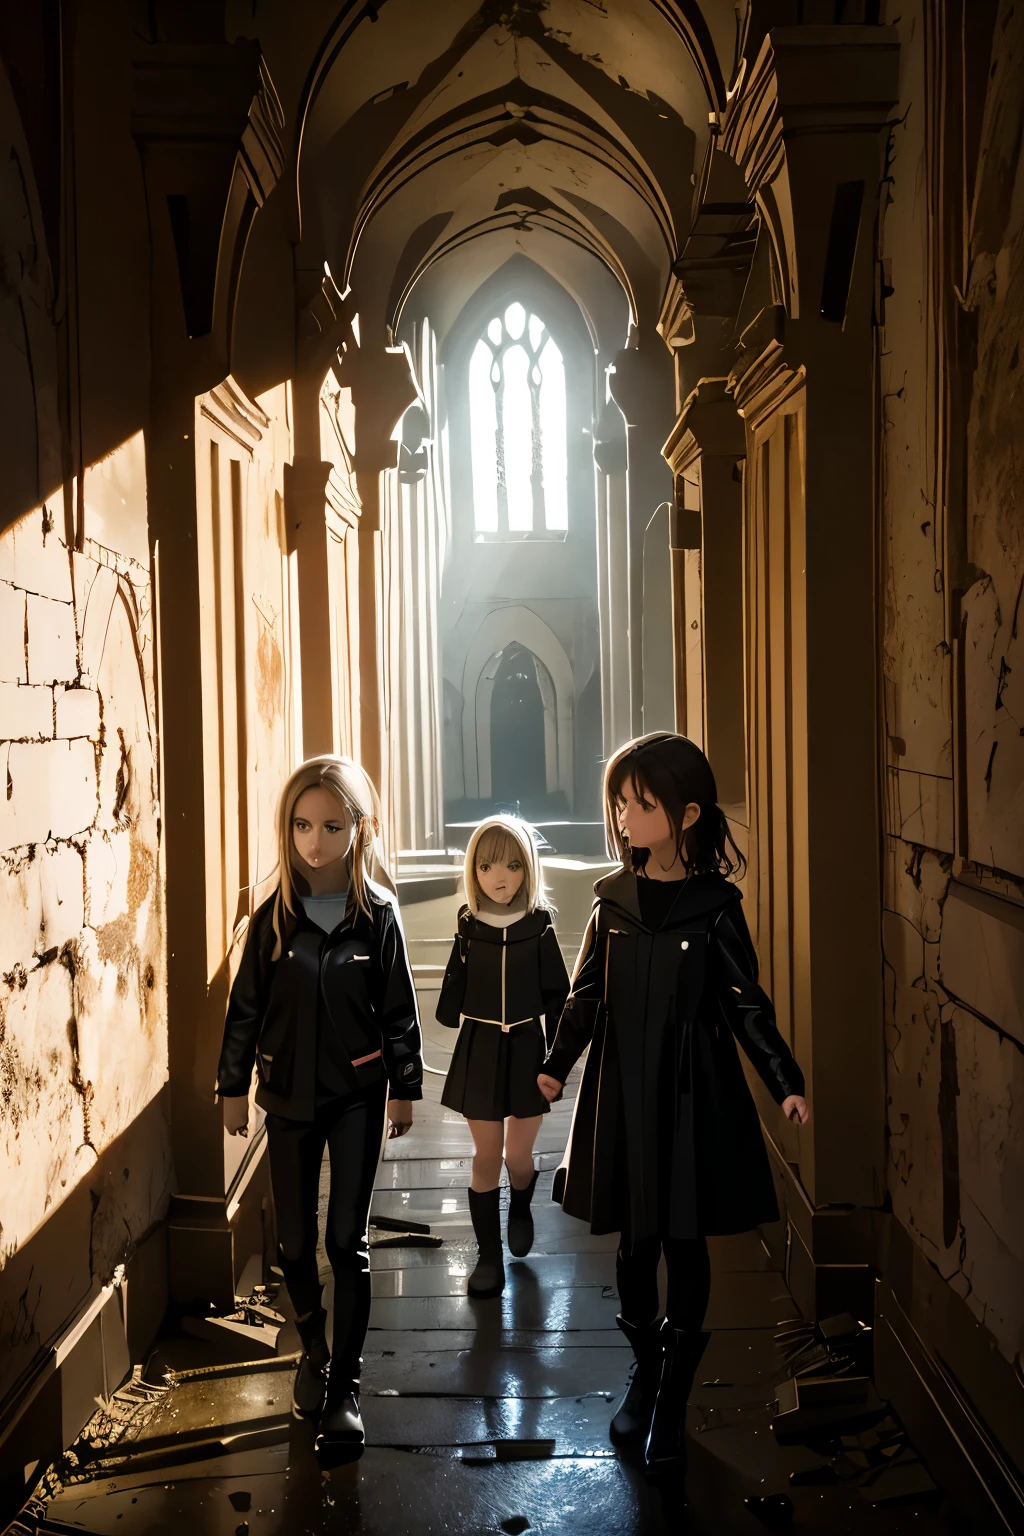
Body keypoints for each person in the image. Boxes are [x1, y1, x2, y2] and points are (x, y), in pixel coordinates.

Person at [537, 732, 808, 1479]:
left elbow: (746, 1004)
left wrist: (785, 1080)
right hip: (622, 1092)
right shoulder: (611, 903)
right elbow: (584, 996)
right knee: (633, 1245)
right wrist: (556, 1065)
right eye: (619, 802)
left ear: (686, 813)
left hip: (694, 1094)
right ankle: (645, 1371)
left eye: (641, 803)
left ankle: (673, 1397)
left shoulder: (716, 907)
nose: (624, 816)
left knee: (684, 1245)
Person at [216, 755, 422, 1469]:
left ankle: (347, 1388)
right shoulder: (272, 918)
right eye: (302, 825)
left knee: (346, 1244)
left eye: (331, 826)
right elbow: (244, 1012)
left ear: (357, 828)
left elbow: (399, 1012)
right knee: (294, 1248)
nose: (314, 841)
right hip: (287, 1098)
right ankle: (314, 1348)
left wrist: (406, 1086)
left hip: (358, 1095)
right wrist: (230, 1085)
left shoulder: (378, 917)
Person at [437, 815, 571, 1298]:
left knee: (517, 1156)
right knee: (486, 1156)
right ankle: (488, 1257)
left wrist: (558, 1062)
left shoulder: (539, 925)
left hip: (528, 1049)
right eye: (488, 865)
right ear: (473, 870)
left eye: (513, 865)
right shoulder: (469, 926)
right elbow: (450, 1004)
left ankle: (520, 1201)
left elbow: (559, 995)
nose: (500, 876)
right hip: (480, 1045)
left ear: (527, 869)